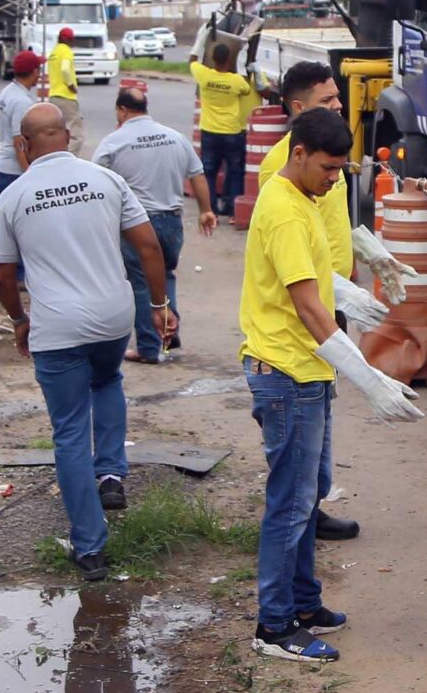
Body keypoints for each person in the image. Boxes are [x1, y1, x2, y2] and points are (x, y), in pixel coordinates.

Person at [241, 107, 420, 663]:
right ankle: (273, 627)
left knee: (305, 495)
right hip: (288, 372)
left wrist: (358, 295)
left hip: (305, 370)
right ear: (298, 154)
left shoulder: (308, 199)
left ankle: (303, 601)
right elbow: (308, 308)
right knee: (291, 506)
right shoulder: (288, 211)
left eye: (342, 169)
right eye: (326, 168)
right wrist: (371, 381)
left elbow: (317, 278)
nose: (334, 178)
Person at [0, 103, 178, 581]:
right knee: (108, 379)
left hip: (57, 327)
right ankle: (111, 473)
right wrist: (157, 305)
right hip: (113, 318)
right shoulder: (105, 181)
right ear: (68, 137)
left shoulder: (13, 197)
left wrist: (18, 319)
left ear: (22, 146)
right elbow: (149, 245)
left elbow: (1, 273)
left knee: (70, 430)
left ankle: (90, 547)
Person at [255, 61, 402, 541]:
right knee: (305, 412)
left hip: (330, 293)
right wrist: (371, 377)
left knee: (321, 405)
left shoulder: (325, 158)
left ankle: (309, 505)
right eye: (328, 100)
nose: (340, 105)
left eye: (338, 97)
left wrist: (368, 250)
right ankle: (304, 512)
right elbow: (292, 253)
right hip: (307, 308)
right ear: (299, 110)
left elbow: (327, 224)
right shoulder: (287, 166)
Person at [94, 83, 214, 364]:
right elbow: (197, 174)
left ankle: (149, 347)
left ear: (121, 110)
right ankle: (169, 335)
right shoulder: (174, 137)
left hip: (137, 225)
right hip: (171, 222)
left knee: (140, 282)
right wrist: (206, 210)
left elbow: (97, 182)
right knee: (166, 274)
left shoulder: (114, 141)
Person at [189, 43, 259, 217]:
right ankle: (233, 209)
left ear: (213, 60)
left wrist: (203, 40)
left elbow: (192, 60)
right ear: (229, 60)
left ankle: (211, 209)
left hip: (209, 132)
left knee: (209, 172)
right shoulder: (235, 81)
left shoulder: (204, 75)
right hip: (232, 133)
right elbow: (246, 89)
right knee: (235, 172)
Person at [0, 51, 43, 200]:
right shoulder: (21, 101)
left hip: (5, 166)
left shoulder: (8, 91)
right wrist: (29, 173)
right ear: (34, 72)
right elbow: (19, 141)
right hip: (14, 171)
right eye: (39, 69)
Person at [48, 28, 81, 152]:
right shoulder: (66, 51)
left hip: (53, 96)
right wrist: (70, 84)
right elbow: (65, 69)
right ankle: (69, 161)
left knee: (57, 133)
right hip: (66, 96)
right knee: (76, 134)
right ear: (68, 39)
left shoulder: (54, 52)